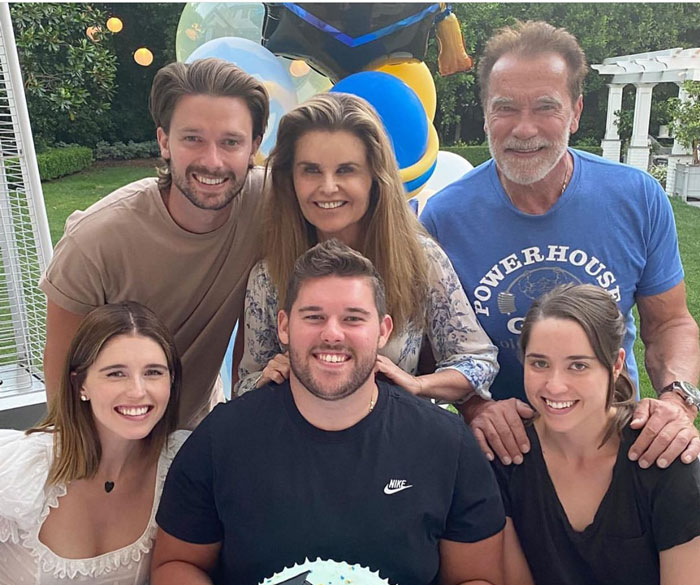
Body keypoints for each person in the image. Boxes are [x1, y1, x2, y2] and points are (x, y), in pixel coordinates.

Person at [153, 240, 506, 585]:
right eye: (314, 317)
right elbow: (173, 566)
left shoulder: (445, 443)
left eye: (353, 319)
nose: (332, 335)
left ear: (383, 330)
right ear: (284, 327)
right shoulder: (223, 438)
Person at [420, 20, 700, 470]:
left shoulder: (636, 197)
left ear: (575, 112)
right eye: (505, 108)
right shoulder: (444, 218)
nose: (524, 128)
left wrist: (677, 402)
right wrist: (475, 406)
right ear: (486, 113)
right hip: (505, 452)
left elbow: (669, 324)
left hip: (614, 444)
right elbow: (433, 346)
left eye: (545, 107)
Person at [495, 284, 700, 585]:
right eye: (539, 363)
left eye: (578, 366)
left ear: (616, 364)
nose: (555, 385)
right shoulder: (507, 457)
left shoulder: (663, 458)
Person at [41, 58, 269, 429]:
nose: (212, 161)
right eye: (192, 139)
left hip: (196, 431)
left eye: (231, 142)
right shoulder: (95, 242)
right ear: (164, 141)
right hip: (110, 439)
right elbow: (61, 395)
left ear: (254, 146)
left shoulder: (267, 202)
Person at [235, 91, 498, 404]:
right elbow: (245, 383)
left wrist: (416, 385)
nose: (328, 187)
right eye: (311, 170)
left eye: (346, 170)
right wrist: (265, 379)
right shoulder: (269, 274)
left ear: (375, 176)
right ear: (289, 178)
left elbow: (477, 360)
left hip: (393, 429)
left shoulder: (420, 260)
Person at [0, 302, 190, 585]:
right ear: (81, 384)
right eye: (115, 373)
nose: (137, 390)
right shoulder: (21, 469)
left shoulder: (180, 469)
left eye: (153, 372)